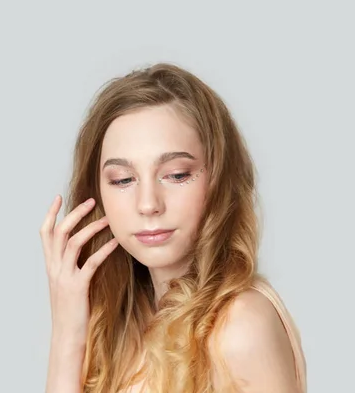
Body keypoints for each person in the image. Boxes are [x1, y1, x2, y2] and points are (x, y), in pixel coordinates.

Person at [40, 63, 306, 393]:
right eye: (123, 179)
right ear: (97, 194)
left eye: (177, 175)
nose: (148, 204)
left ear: (219, 180)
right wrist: (67, 335)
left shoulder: (240, 326)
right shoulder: (118, 328)